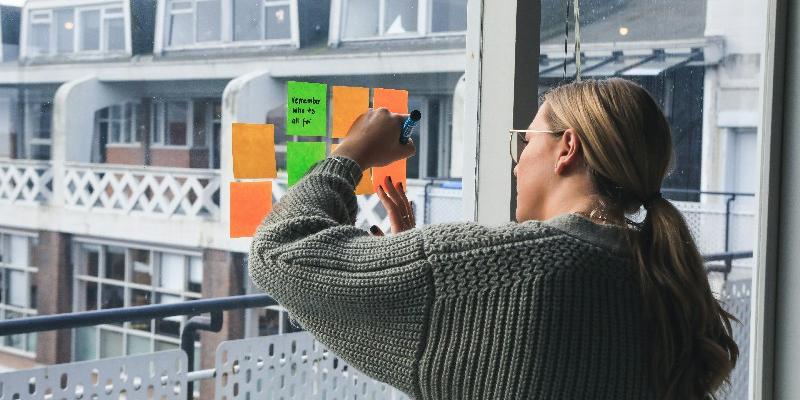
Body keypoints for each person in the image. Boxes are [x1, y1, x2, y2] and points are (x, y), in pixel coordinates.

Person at [248, 78, 738, 399]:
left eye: (525, 141)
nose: (518, 161)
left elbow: (278, 252)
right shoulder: (655, 273)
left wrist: (349, 153)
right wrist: (410, 258)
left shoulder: (497, 270)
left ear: (567, 147)